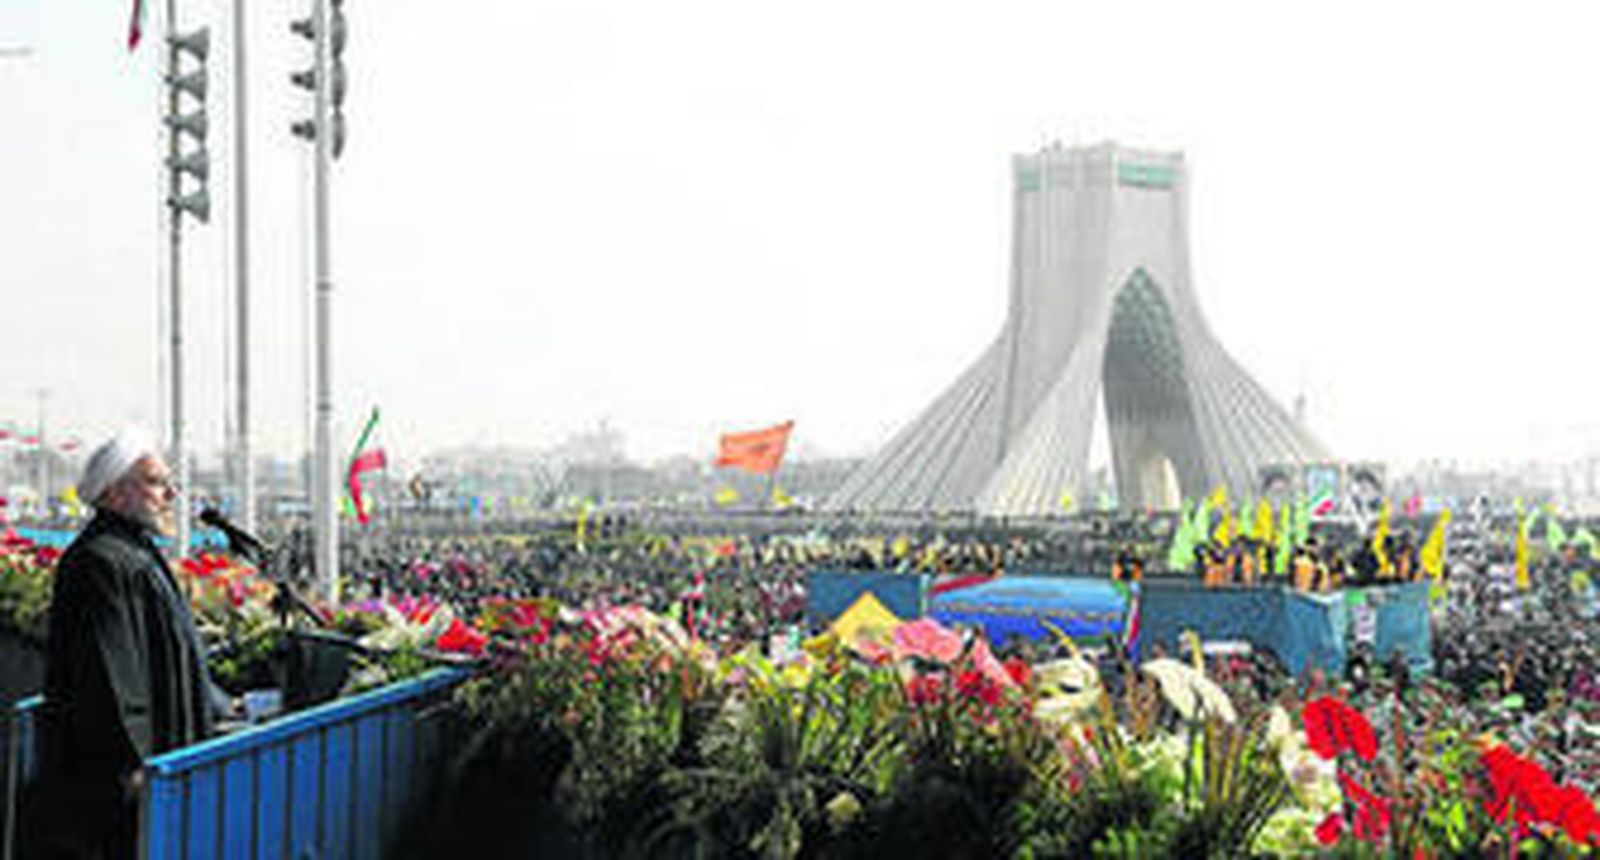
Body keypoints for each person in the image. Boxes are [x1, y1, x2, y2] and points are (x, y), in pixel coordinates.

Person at [22, 429, 224, 859]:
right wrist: (135, 765)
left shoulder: (135, 553)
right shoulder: (100, 562)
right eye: (155, 482)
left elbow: (174, 653)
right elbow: (110, 677)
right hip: (114, 788)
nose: (170, 494)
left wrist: (219, 704)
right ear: (113, 493)